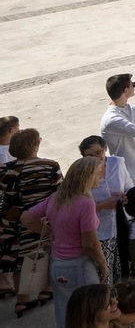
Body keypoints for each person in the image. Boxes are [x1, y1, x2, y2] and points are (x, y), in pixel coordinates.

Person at [22, 156, 106, 328]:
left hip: (58, 264)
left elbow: (27, 218)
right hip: (79, 265)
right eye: (99, 173)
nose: (102, 176)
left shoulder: (56, 198)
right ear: (87, 176)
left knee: (65, 312)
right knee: (91, 314)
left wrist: (50, 232)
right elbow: (89, 243)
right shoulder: (86, 204)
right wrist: (103, 264)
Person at [1, 128, 60, 315]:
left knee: (18, 260)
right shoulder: (49, 166)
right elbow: (59, 195)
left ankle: (22, 300)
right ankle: (45, 290)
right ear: (35, 145)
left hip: (9, 223)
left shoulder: (4, 170)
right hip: (38, 220)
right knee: (45, 253)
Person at [76, 137, 127, 285]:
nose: (96, 157)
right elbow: (78, 208)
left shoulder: (117, 163)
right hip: (99, 233)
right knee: (104, 277)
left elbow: (128, 185)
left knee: (123, 272)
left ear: (105, 148)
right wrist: (102, 206)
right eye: (90, 155)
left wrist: (125, 198)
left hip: (119, 226)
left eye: (98, 152)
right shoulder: (82, 174)